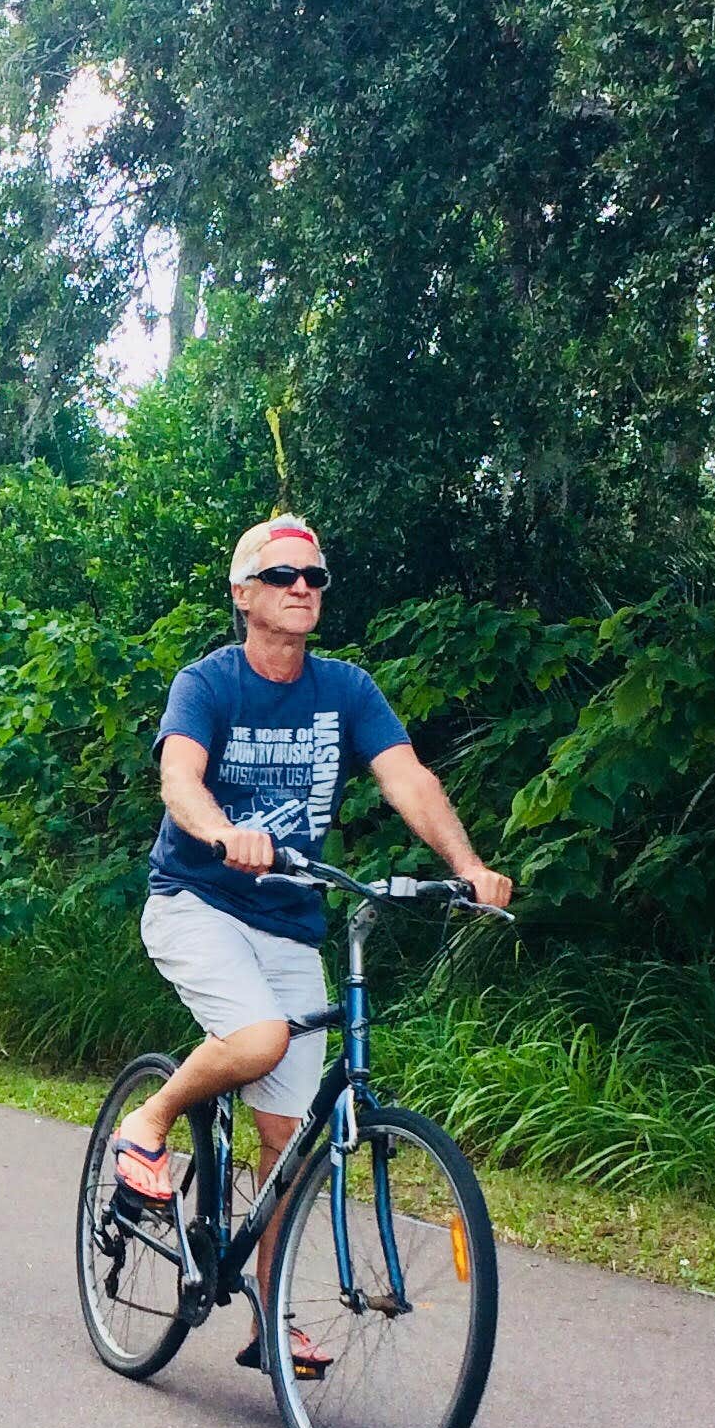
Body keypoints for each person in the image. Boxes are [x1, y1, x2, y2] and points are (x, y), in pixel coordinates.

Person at [109, 515, 513, 1376]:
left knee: (287, 1139)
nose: (302, 587)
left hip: (291, 921)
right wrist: (223, 831)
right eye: (283, 574)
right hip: (195, 901)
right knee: (259, 1039)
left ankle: (269, 1319)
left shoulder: (346, 690)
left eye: (315, 577)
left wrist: (468, 866)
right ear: (243, 593)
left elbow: (408, 778)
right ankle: (149, 1121)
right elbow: (179, 777)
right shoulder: (208, 683)